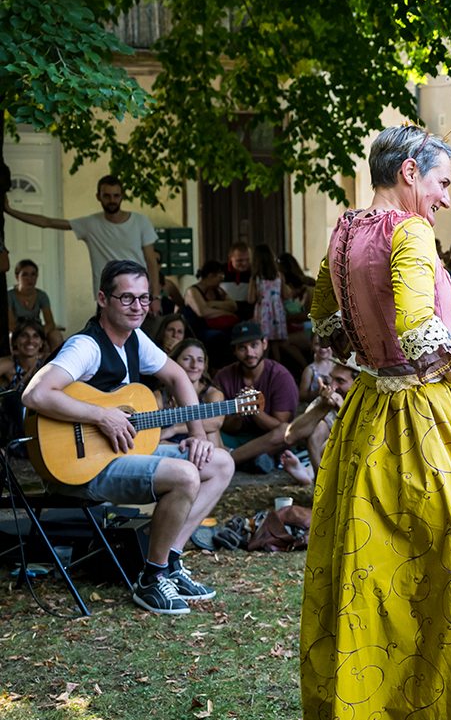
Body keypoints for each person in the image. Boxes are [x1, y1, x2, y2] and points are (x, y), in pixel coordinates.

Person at [299, 126, 451, 720]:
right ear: (409, 171)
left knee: (374, 566)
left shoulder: (344, 230)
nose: (447, 199)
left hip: (369, 413)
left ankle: (375, 702)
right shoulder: (409, 231)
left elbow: (324, 324)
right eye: (442, 182)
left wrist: (369, 358)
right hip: (422, 414)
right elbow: (419, 328)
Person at [22, 259, 233, 615]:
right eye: (127, 298)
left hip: (116, 457)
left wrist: (198, 434)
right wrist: (101, 415)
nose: (138, 307)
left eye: (144, 299)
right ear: (103, 299)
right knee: (184, 476)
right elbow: (35, 395)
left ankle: (169, 564)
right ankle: (150, 579)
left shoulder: (135, 340)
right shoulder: (86, 346)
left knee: (221, 462)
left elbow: (180, 376)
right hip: (80, 469)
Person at [5, 175, 162, 315]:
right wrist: (10, 211)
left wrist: (154, 296)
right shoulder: (90, 224)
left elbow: (151, 262)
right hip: (107, 298)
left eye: (116, 195)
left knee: (141, 345)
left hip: (138, 296)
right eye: (107, 196)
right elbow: (48, 222)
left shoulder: (141, 222)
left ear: (122, 196)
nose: (112, 200)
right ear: (98, 197)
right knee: (107, 346)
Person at [212, 321, 298, 473]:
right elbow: (224, 425)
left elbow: (280, 426)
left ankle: (231, 460)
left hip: (267, 439)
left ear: (264, 344)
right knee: (209, 431)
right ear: (234, 351)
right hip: (235, 438)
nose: (250, 353)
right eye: (242, 348)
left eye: (254, 345)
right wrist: (238, 414)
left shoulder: (280, 377)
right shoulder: (223, 377)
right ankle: (249, 460)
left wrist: (254, 409)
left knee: (285, 432)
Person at [159, 338, 226, 447]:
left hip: (204, 446)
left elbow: (216, 422)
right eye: (187, 359)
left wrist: (175, 429)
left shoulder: (212, 394)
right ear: (174, 362)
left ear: (205, 365)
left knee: (210, 431)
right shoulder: (160, 395)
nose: (194, 365)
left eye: (200, 360)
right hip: (174, 447)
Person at [8, 258, 63, 350]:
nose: (30, 279)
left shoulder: (42, 295)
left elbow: (50, 323)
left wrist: (38, 334)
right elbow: (11, 325)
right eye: (25, 275)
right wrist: (27, 335)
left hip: (37, 329)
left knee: (56, 335)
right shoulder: (9, 295)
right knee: (11, 336)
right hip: (18, 331)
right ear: (17, 277)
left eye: (33, 274)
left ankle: (56, 362)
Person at [0, 318, 47, 390]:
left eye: (35, 336)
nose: (30, 340)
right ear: (15, 341)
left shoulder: (47, 363)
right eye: (24, 336)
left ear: (41, 343)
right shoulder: (9, 364)